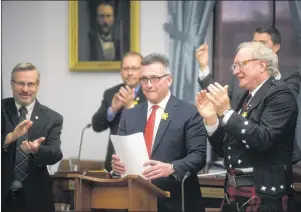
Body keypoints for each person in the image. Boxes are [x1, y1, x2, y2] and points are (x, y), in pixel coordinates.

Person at [196, 41, 298, 211]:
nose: (235, 71)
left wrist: (227, 113)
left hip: (264, 194)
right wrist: (212, 120)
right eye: (234, 66)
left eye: (240, 65)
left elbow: (264, 139)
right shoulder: (245, 98)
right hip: (234, 189)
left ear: (261, 65)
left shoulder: (281, 94)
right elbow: (224, 150)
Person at [111, 53, 207, 212]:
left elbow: (198, 156)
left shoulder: (189, 112)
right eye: (144, 79)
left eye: (154, 79)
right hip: (135, 201)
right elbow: (119, 156)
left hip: (176, 201)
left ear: (169, 80)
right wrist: (116, 167)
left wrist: (172, 167)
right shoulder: (129, 115)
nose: (148, 85)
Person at [1, 63, 63, 212]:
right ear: (11, 84)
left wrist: (37, 150)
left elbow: (55, 153)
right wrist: (10, 137)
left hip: (37, 197)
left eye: (30, 84)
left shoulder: (52, 118)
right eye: (21, 83)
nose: (25, 89)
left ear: (37, 85)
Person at [196, 27, 300, 104]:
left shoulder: (290, 75)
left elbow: (287, 101)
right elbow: (219, 97)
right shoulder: (241, 74)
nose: (258, 46)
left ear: (276, 47)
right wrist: (203, 67)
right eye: (255, 42)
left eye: (263, 43)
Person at [92, 51, 146, 172]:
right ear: (121, 71)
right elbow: (96, 125)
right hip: (115, 161)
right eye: (126, 68)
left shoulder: (150, 93)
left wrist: (130, 107)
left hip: (142, 160)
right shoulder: (111, 93)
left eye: (134, 68)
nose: (130, 73)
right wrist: (113, 109)